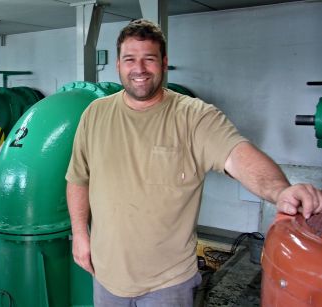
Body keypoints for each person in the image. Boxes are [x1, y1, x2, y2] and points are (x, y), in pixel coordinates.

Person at [65, 19, 322, 306]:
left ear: (164, 62)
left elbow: (237, 154)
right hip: (107, 277)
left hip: (167, 284)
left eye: (149, 59)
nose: (139, 69)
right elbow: (78, 178)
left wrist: (280, 191)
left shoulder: (194, 116)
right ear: (118, 65)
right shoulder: (95, 114)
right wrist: (79, 235)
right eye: (130, 59)